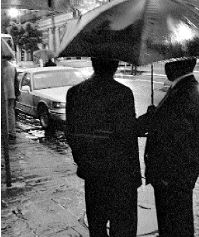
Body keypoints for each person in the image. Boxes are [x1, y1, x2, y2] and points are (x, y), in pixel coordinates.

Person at [65, 57, 141, 237]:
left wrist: (84, 162)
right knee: (123, 228)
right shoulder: (123, 93)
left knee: (97, 228)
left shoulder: (75, 93)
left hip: (93, 175)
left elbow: (72, 135)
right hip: (121, 176)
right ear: (115, 66)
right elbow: (127, 135)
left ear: (93, 63)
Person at [137, 58, 199, 237]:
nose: (166, 66)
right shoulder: (184, 88)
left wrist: (151, 120)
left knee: (175, 225)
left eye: (169, 62)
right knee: (173, 223)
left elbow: (175, 135)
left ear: (179, 65)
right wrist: (155, 114)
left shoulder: (185, 92)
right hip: (172, 176)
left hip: (172, 175)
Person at [1, 56, 20, 141]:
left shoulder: (1, 67)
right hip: (11, 93)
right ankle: (12, 132)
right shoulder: (12, 67)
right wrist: (17, 93)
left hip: (3, 94)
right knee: (11, 112)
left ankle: (6, 131)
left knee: (4, 113)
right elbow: (16, 81)